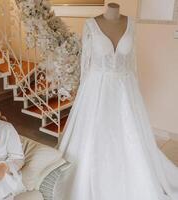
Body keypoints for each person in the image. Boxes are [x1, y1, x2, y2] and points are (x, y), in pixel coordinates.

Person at [58, 3, 178, 200]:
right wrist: (82, 95)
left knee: (129, 133)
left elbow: (132, 62)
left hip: (125, 88)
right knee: (94, 135)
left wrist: (134, 93)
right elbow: (85, 64)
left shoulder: (131, 23)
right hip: (97, 89)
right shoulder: (91, 24)